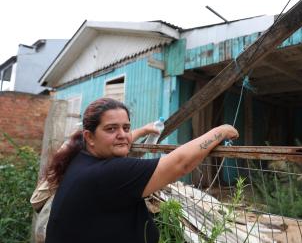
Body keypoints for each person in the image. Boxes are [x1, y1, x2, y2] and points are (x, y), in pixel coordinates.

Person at [44, 97, 238, 243]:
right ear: (90, 137)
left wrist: (142, 131)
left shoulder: (79, 158)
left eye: (126, 127)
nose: (122, 135)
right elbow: (180, 164)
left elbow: (119, 141)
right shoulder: (110, 173)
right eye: (111, 129)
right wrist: (220, 131)